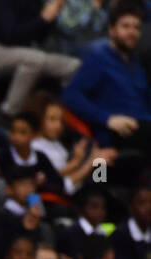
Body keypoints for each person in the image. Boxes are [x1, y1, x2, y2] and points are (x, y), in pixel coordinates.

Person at [62, 2, 151, 149]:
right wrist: (107, 119)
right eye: (126, 26)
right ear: (112, 30)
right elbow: (71, 95)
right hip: (118, 132)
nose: (132, 32)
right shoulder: (99, 58)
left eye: (136, 27)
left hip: (144, 125)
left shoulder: (136, 62)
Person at [0, 0, 80, 118]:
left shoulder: (33, 3)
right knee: (34, 59)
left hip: (25, 53)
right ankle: (8, 114)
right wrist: (43, 19)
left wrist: (52, 15)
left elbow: (39, 38)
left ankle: (61, 116)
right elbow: (10, 36)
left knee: (73, 65)